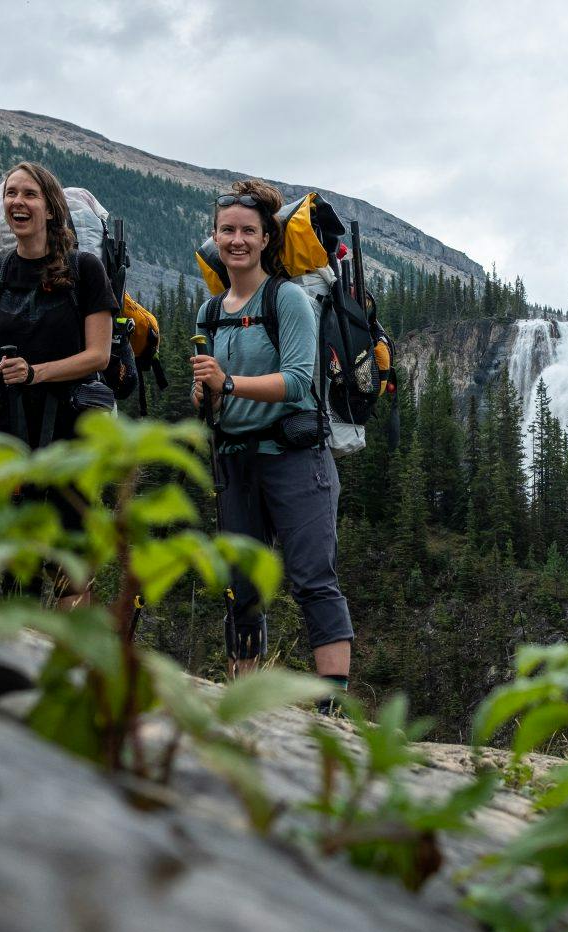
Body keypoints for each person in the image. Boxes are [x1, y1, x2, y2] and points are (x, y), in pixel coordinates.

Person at [190, 179, 353, 695]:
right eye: (226, 231)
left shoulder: (287, 300)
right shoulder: (209, 312)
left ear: (266, 239)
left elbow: (299, 380)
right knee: (242, 590)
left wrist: (228, 383)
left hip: (295, 458)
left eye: (247, 231)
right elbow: (211, 396)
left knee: (313, 580)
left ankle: (332, 707)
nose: (236, 240)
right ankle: (246, 698)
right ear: (214, 237)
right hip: (236, 462)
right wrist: (207, 396)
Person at [0, 161, 117, 606]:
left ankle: (73, 663)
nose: (18, 202)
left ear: (51, 209)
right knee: (15, 551)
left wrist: (36, 372)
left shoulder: (85, 269)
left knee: (68, 561)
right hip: (9, 431)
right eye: (11, 194)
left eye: (29, 194)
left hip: (73, 433)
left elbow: (99, 356)